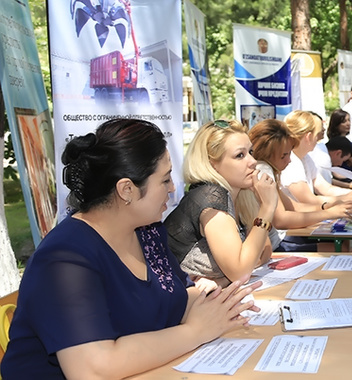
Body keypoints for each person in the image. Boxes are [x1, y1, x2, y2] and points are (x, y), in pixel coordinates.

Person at [0, 119, 260, 379]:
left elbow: (176, 298)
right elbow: (92, 369)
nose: (172, 189)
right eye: (165, 179)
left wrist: (222, 301)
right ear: (127, 189)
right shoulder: (64, 259)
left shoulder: (147, 232)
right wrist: (196, 331)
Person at [165, 119, 277, 288]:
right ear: (212, 164)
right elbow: (241, 271)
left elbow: (264, 251)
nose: (253, 161)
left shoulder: (241, 195)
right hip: (180, 306)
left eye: (251, 152)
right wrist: (267, 208)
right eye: (240, 155)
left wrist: (222, 281)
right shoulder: (211, 196)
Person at [248, 119, 352, 252]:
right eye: (284, 155)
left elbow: (293, 206)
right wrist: (330, 212)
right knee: (338, 249)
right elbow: (281, 220)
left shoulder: (268, 169)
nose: (289, 160)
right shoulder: (264, 171)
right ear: (267, 154)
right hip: (275, 246)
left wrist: (327, 207)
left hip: (277, 242)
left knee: (340, 247)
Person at [282, 110, 352, 207]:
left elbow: (325, 188)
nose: (318, 140)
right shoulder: (290, 163)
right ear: (308, 137)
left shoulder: (305, 157)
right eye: (317, 135)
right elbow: (308, 200)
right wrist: (348, 197)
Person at [327, 109, 352, 174]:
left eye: (349, 120)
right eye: (344, 121)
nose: (348, 124)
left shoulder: (348, 141)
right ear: (336, 124)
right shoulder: (339, 143)